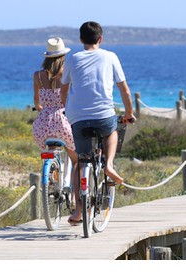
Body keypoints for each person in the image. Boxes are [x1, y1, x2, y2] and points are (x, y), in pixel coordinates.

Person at [62, 21, 135, 225]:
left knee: (80, 162)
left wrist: (66, 109)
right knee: (112, 130)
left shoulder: (73, 58)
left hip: (78, 118)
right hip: (103, 116)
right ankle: (109, 164)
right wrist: (129, 113)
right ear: (100, 39)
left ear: (81, 39)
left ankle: (78, 211)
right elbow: (125, 90)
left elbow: (64, 89)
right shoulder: (110, 56)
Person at [32, 37, 78, 168]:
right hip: (63, 122)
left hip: (42, 125)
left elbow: (36, 101)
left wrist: (42, 108)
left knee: (49, 147)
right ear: (63, 56)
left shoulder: (37, 76)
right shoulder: (67, 74)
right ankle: (76, 187)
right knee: (76, 160)